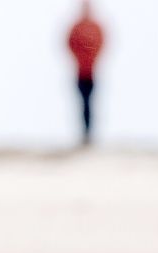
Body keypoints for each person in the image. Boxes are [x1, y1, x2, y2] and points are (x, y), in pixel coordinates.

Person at [67, 1, 104, 146]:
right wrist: (77, 60)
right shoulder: (77, 28)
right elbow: (69, 43)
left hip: (92, 71)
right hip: (80, 71)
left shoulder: (95, 27)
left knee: (91, 103)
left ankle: (89, 134)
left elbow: (101, 43)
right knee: (82, 103)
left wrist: (94, 59)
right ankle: (84, 133)